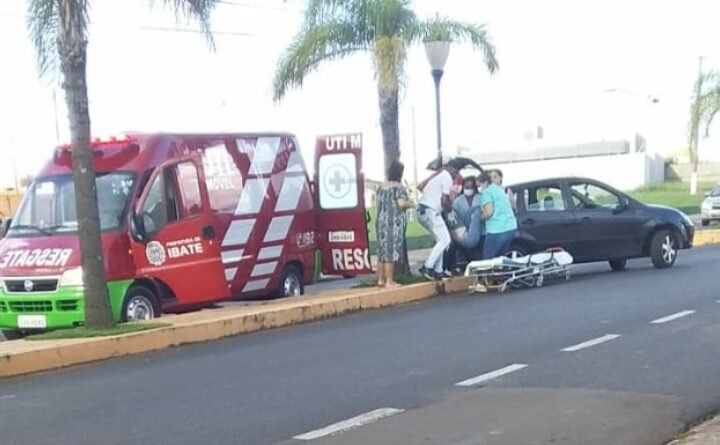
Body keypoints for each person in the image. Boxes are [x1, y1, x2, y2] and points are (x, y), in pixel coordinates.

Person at [417, 162, 460, 280]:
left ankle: (438, 270)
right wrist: (449, 210)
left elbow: (421, 187)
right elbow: (444, 200)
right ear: (449, 168)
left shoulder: (438, 176)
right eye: (455, 171)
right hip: (431, 211)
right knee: (446, 240)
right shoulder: (447, 177)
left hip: (422, 210)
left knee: (440, 240)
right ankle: (428, 267)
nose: (456, 174)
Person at [375, 161, 413, 288]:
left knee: (381, 251)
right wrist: (411, 204)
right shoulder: (398, 187)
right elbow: (401, 204)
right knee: (390, 251)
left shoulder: (381, 187)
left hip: (380, 220)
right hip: (392, 222)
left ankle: (380, 280)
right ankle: (389, 281)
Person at [444, 176, 484, 272]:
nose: (468, 189)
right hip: (464, 231)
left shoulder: (481, 198)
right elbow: (455, 216)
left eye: (470, 187)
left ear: (474, 187)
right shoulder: (458, 201)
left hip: (480, 231)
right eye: (466, 187)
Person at [478, 172, 518, 259]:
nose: (480, 188)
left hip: (497, 229)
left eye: (479, 185)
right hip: (510, 227)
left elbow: (489, 212)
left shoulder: (487, 193)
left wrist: (479, 218)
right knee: (499, 257)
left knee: (488, 258)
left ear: (485, 182)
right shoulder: (499, 189)